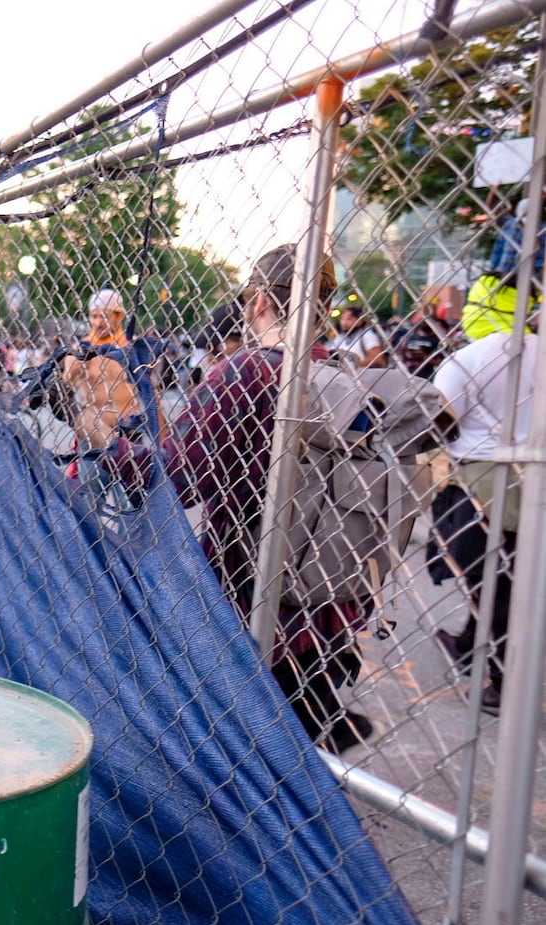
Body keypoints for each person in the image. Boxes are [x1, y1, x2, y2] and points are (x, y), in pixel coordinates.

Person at [65, 244, 376, 754]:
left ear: (256, 302)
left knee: (244, 746)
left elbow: (172, 475)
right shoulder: (340, 368)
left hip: (251, 592)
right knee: (294, 747)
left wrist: (104, 439)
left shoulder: (248, 370)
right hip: (324, 593)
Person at [429, 325, 536, 715]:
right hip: (534, 469)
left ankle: (505, 683)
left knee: (493, 579)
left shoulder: (467, 358)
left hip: (484, 478)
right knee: (507, 576)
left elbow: (439, 421)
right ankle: (470, 644)